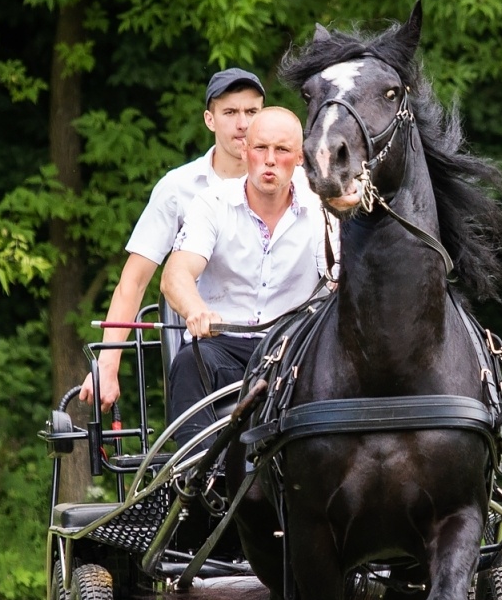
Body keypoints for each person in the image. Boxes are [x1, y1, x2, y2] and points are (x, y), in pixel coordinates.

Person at [79, 68, 266, 407]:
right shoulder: (178, 189)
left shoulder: (296, 185)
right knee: (192, 365)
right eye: (230, 112)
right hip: (211, 342)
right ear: (209, 119)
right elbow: (133, 282)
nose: (243, 124)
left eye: (252, 112)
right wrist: (108, 364)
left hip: (282, 338)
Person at [160, 107, 330, 440]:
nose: (269, 160)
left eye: (281, 150)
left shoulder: (322, 208)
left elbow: (340, 277)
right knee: (189, 365)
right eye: (260, 148)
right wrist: (196, 309)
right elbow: (175, 274)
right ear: (244, 151)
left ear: (299, 157)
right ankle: (199, 479)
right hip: (221, 346)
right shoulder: (212, 203)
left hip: (293, 350)